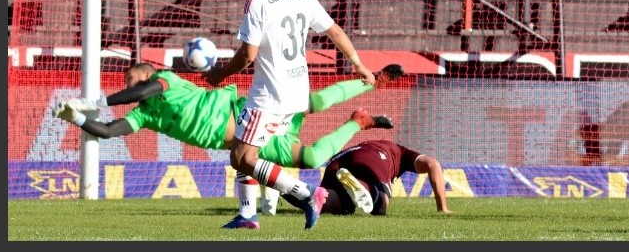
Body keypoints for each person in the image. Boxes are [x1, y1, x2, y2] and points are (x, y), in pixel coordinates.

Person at [52, 61, 402, 227]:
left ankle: (371, 80)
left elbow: (140, 91)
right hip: (248, 142)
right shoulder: (145, 116)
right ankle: (359, 122)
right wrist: (76, 118)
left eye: (130, 79)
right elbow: (108, 131)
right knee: (310, 158)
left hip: (248, 113)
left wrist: (98, 101)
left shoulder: (166, 80)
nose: (128, 86)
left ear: (146, 74)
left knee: (313, 102)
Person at [201, 0, 376, 230]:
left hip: (270, 95)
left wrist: (220, 74)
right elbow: (334, 31)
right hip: (296, 94)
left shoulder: (257, 2)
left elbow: (247, 55)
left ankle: (307, 195)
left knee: (241, 157)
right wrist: (358, 64)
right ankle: (247, 215)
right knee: (245, 151)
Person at [310, 139, 452, 216]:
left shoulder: (370, 144)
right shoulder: (400, 152)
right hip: (372, 155)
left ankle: (301, 193)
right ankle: (364, 186)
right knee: (381, 205)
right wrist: (442, 208)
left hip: (337, 159)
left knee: (331, 203)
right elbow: (432, 164)